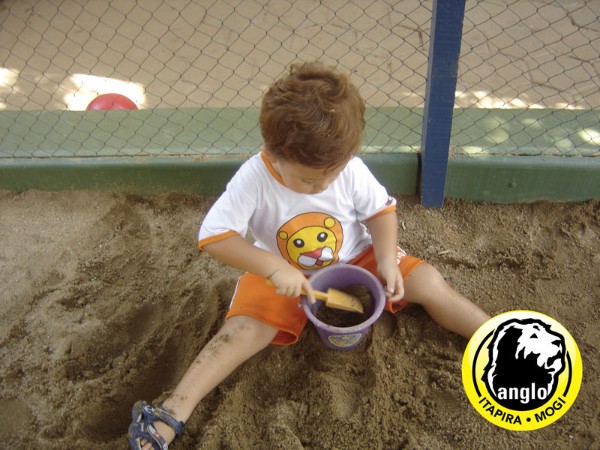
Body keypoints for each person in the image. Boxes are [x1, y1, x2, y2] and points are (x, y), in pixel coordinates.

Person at [127, 61, 490, 450]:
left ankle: (494, 338)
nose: (324, 185)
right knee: (241, 332)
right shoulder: (254, 178)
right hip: (280, 271)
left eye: (331, 175)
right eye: (311, 179)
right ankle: (173, 410)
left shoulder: (347, 167)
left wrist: (385, 258)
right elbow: (214, 236)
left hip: (357, 256)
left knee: (428, 281)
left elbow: (380, 211)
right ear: (274, 154)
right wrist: (271, 266)